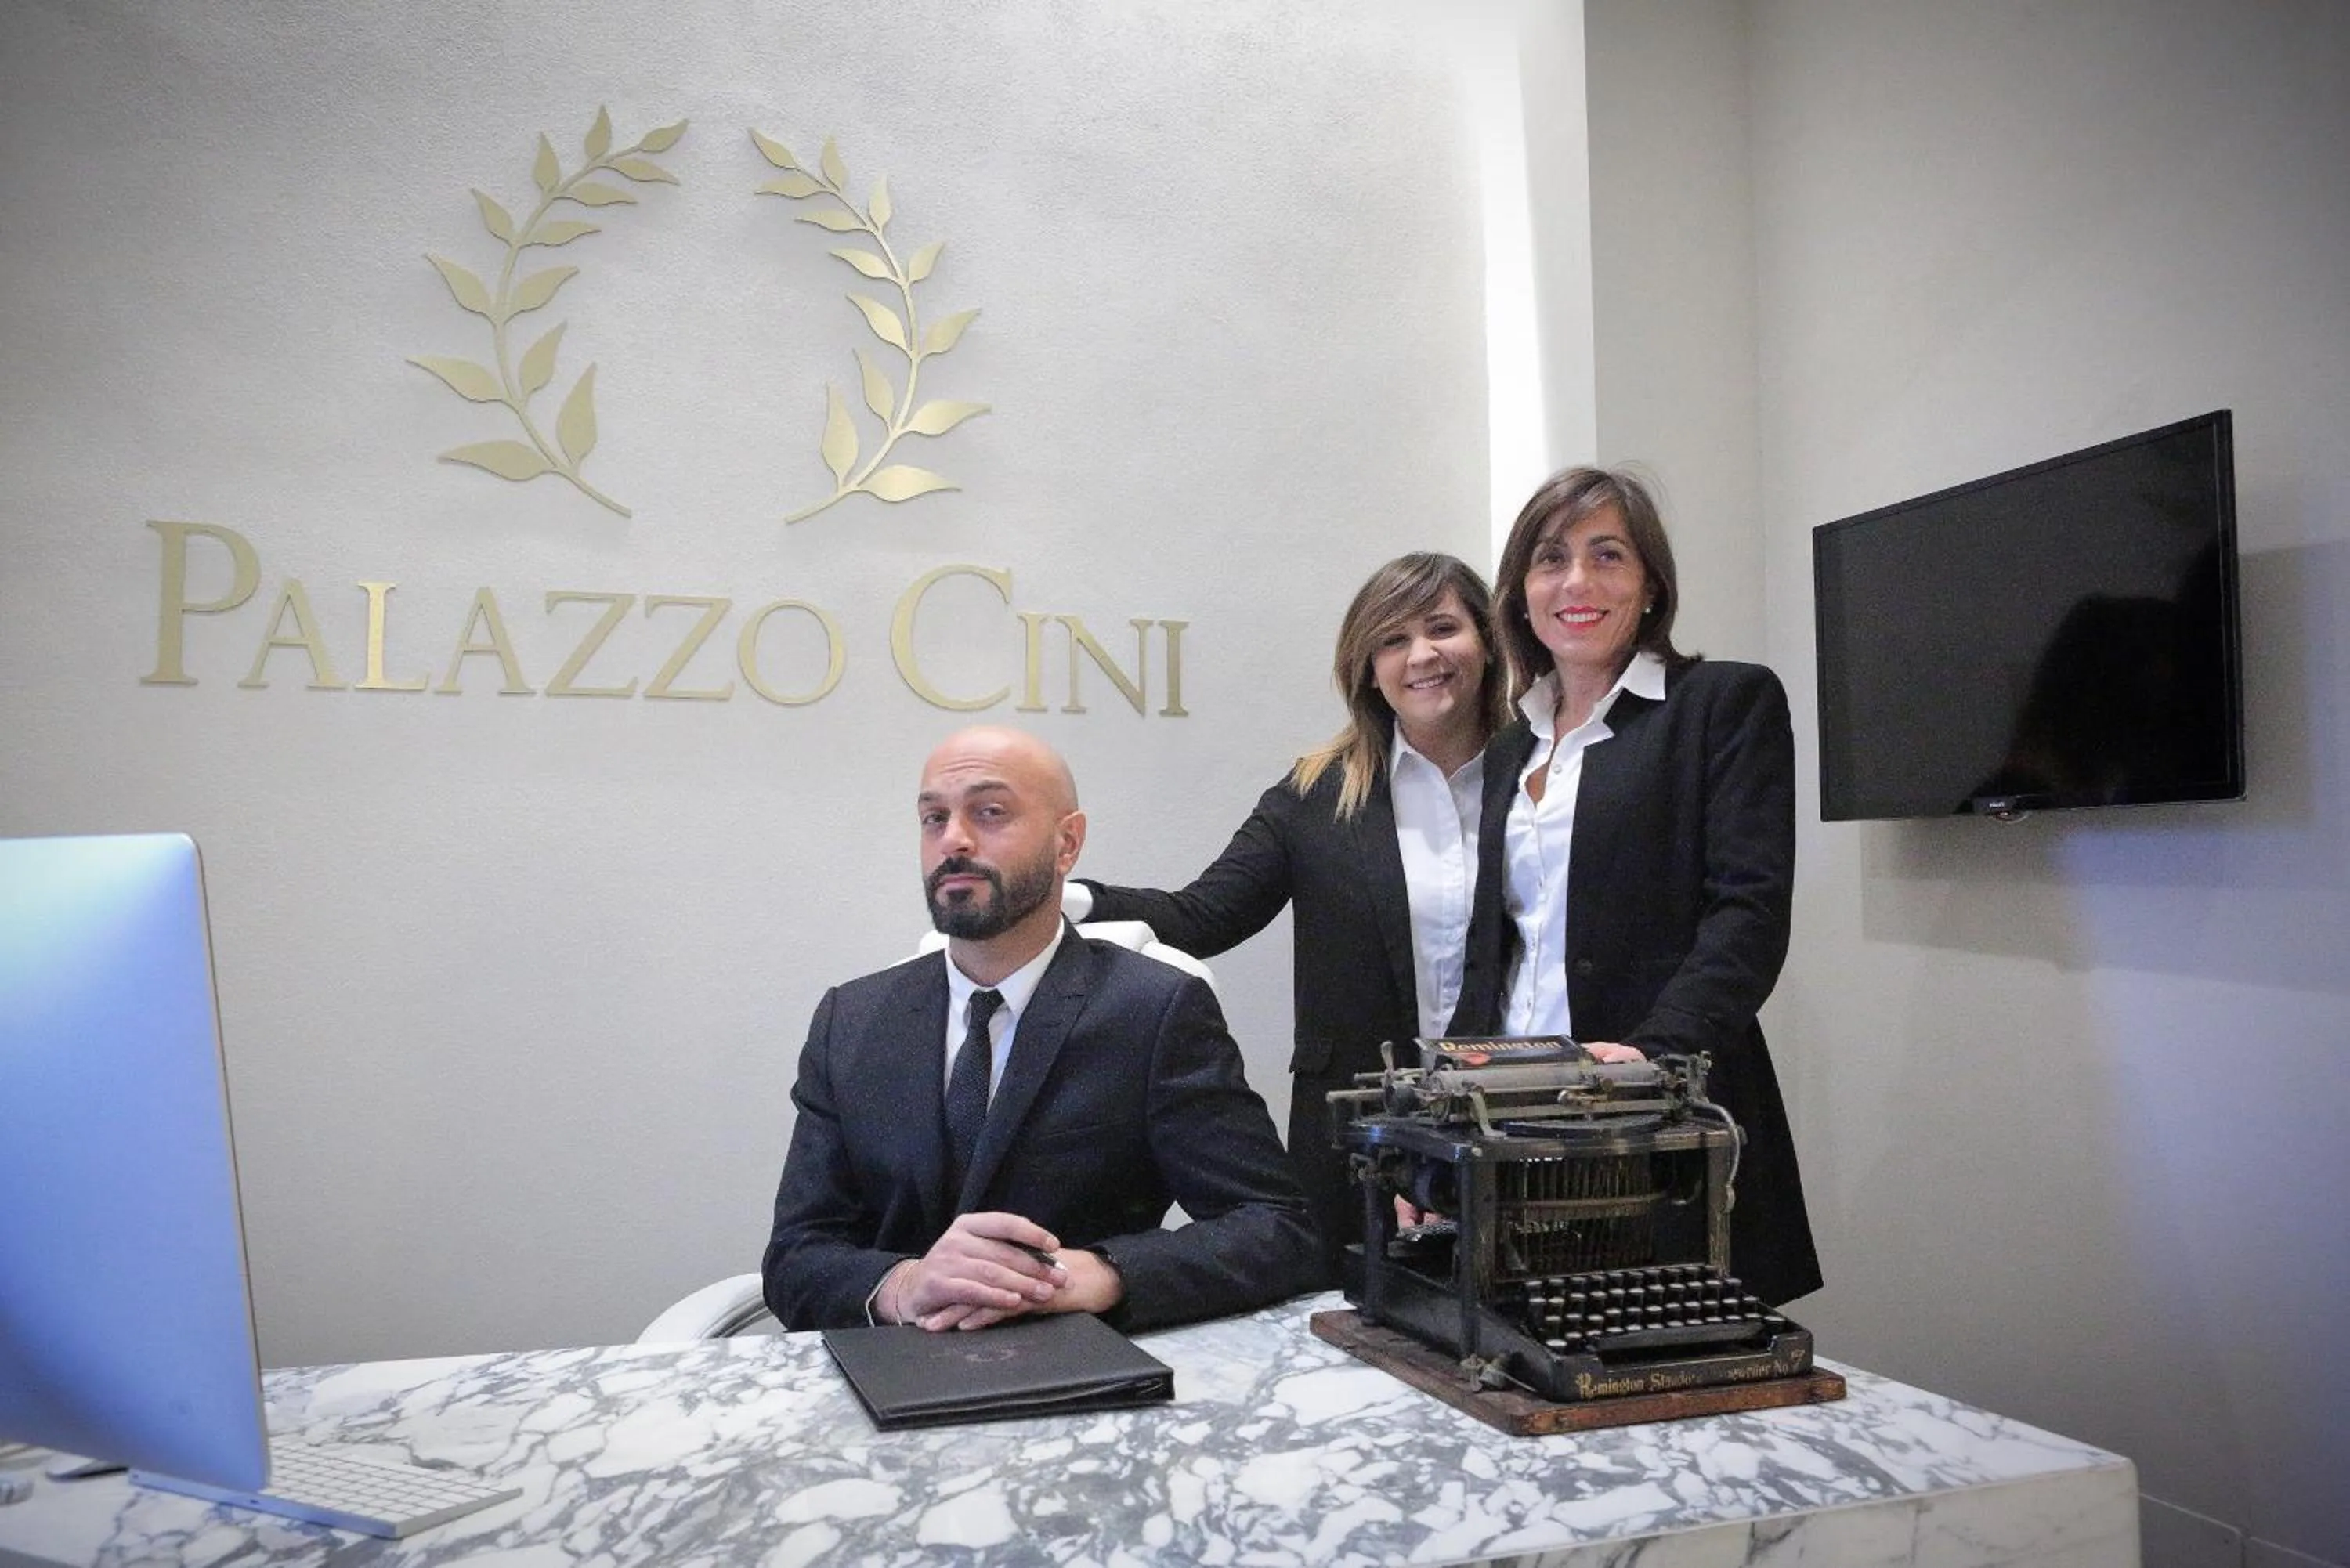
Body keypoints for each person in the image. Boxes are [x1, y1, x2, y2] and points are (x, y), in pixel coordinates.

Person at [762, 725, 1321, 1334]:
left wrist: (1101, 1273)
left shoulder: (1153, 1010)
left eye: (990, 812)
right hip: (889, 1365)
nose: (954, 839)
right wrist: (903, 1286)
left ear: (1066, 843)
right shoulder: (852, 1019)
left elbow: (1276, 1227)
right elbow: (797, 1254)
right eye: (934, 818)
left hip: (1080, 1362)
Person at [1071, 553, 1512, 1281]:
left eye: (1443, 629)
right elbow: (1201, 915)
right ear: (1367, 669)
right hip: (1357, 1133)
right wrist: (1065, 898)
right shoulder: (1316, 793)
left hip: (1513, 1116)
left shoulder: (1540, 778)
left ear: (1488, 643)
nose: (1421, 655)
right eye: (1393, 640)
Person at [1450, 466, 1824, 1307]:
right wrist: (1448, 1115)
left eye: (1607, 555)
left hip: (1663, 1116)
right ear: (1521, 592)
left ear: (1651, 585)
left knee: (1677, 1356)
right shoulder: (1511, 745)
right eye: (1551, 558)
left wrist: (1653, 1054)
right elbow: (1496, 955)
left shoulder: (1722, 703)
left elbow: (1748, 913)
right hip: (1519, 1121)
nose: (1577, 581)